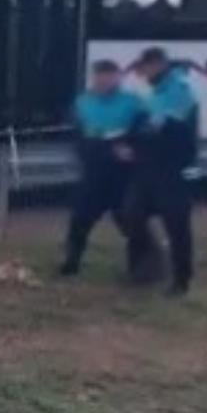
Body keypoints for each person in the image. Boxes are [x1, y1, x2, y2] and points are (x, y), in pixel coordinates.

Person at [59, 60, 149, 278]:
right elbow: (77, 139)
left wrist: (133, 149)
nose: (105, 81)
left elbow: (145, 135)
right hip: (95, 171)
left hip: (123, 174)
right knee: (80, 219)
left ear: (118, 78)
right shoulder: (83, 103)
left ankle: (141, 268)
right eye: (100, 76)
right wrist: (104, 149)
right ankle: (71, 263)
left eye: (110, 76)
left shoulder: (133, 103)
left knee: (131, 222)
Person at [123, 47, 202, 298]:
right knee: (131, 214)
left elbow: (164, 127)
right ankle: (145, 267)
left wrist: (141, 134)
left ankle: (181, 279)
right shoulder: (154, 91)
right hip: (149, 168)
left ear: (157, 65)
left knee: (177, 226)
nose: (142, 73)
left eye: (145, 68)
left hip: (173, 170)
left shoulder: (179, 89)